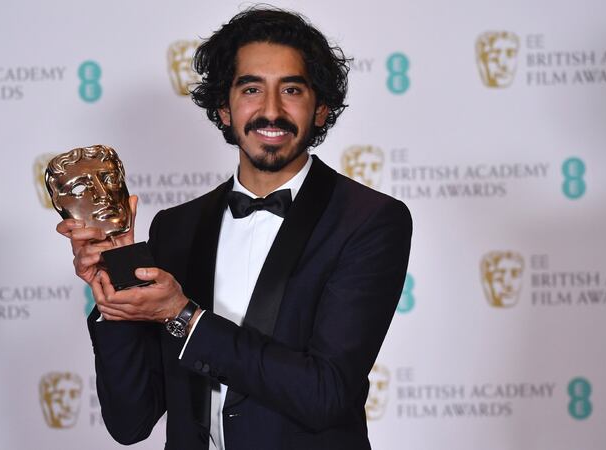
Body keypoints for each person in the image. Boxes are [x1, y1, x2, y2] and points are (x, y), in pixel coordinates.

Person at [56, 7, 412, 449]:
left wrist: (185, 317)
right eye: (250, 89)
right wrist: (117, 285)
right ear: (224, 109)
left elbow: (325, 393)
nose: (271, 110)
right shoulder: (175, 228)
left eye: (292, 90)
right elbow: (131, 421)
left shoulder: (369, 220)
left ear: (321, 109)